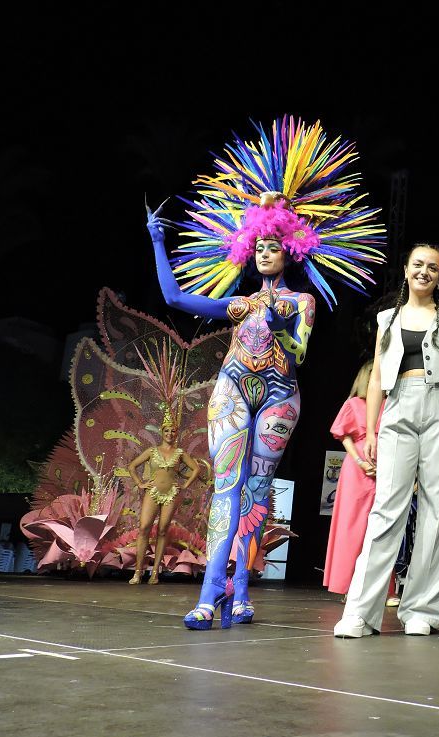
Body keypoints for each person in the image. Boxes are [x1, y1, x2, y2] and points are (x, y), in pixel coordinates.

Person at [148, 118, 384, 629]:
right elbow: (172, 298)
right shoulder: (239, 304)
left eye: (273, 246)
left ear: (291, 250)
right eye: (258, 247)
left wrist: (280, 324)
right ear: (249, 251)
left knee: (255, 494)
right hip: (233, 390)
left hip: (280, 395)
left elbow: (299, 350)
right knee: (226, 489)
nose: (264, 252)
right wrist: (156, 241)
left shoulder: (302, 301)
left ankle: (240, 590)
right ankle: (210, 596)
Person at [335, 244, 439, 638]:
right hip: (398, 408)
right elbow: (377, 378)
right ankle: (359, 613)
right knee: (385, 510)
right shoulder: (388, 318)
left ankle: (421, 610)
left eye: (433, 267)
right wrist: (372, 430)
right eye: (418, 265)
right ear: (406, 270)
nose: (425, 272)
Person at [324, 361, 396, 605]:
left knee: (381, 528)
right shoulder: (353, 404)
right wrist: (360, 461)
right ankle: (347, 585)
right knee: (352, 527)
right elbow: (343, 436)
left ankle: (384, 590)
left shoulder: (390, 405)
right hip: (357, 472)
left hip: (384, 469)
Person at [126, 405, 201, 585]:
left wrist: (184, 485)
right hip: (152, 492)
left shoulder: (180, 453)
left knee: (162, 530)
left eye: (173, 431)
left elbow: (196, 469)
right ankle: (138, 572)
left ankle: (155, 572)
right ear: (162, 432)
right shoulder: (152, 451)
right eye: (167, 430)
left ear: (176, 433)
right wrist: (140, 484)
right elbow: (131, 466)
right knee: (144, 528)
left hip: (171, 494)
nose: (170, 433)